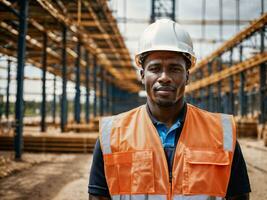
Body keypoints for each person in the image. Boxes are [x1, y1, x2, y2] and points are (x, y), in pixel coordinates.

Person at [88, 19, 251, 200]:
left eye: (174, 69)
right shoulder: (112, 135)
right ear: (143, 75)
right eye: (155, 68)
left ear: (187, 76)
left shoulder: (221, 133)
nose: (164, 77)